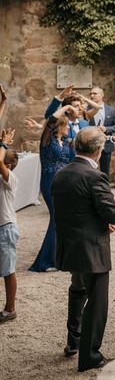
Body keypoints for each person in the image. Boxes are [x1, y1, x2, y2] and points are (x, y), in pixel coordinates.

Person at [52, 127, 115, 372]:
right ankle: (90, 354)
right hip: (92, 246)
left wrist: (97, 221)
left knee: (77, 291)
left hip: (70, 244)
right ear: (98, 149)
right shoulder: (95, 176)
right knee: (96, 301)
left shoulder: (62, 173)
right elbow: (112, 212)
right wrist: (113, 216)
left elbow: (73, 210)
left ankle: (73, 342)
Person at [30, 106, 75, 272]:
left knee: (62, 218)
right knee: (56, 217)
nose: (69, 128)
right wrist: (66, 107)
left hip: (65, 182)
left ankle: (60, 257)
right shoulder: (47, 140)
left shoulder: (66, 142)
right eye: (67, 125)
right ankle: (44, 262)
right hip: (50, 182)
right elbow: (50, 122)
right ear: (60, 126)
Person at [0, 129, 19, 323]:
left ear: (9, 166)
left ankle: (10, 308)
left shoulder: (10, 180)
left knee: (8, 270)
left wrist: (4, 144)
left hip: (5, 228)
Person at [85, 87, 115, 177]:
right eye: (91, 94)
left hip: (106, 144)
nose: (92, 95)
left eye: (95, 93)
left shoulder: (111, 110)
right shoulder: (86, 110)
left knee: (105, 171)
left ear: (102, 94)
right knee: (90, 170)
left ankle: (105, 189)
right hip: (90, 144)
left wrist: (106, 129)